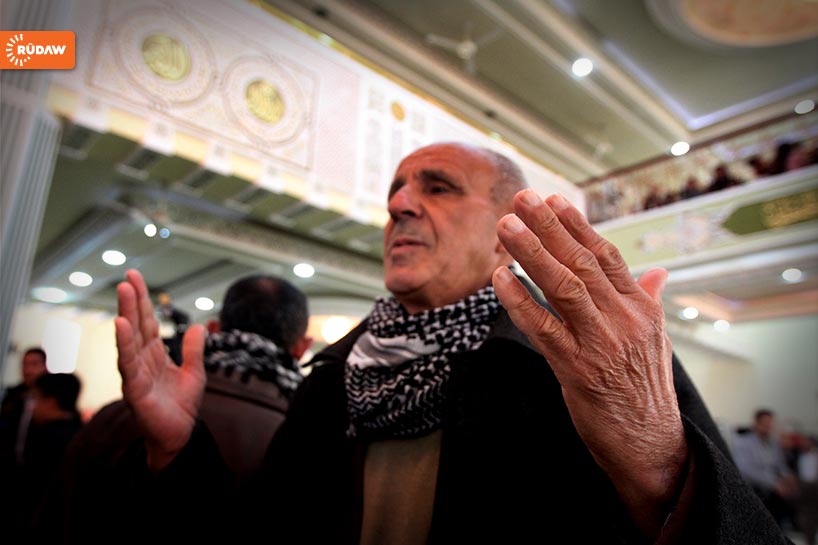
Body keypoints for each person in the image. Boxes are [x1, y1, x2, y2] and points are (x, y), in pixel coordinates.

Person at [114, 142, 791, 543]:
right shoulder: (336, 375)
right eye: (396, 192)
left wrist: (659, 466)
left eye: (437, 188)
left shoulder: (579, 360)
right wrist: (176, 451)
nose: (398, 206)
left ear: (506, 236)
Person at [35, 274, 312, 544]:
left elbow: (53, 516)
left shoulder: (119, 414)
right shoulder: (304, 441)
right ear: (302, 348)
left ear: (213, 329)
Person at [2, 372, 82, 543]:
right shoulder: (80, 433)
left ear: (51, 401)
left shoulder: (51, 439)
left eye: (36, 398)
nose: (32, 406)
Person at [733, 409, 799, 529]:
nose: (768, 426)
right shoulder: (743, 442)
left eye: (770, 423)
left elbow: (779, 464)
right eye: (765, 422)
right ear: (756, 423)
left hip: (773, 487)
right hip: (754, 488)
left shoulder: (773, 443)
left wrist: (787, 476)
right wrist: (774, 484)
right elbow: (746, 469)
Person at [0, 347, 49, 468]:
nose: (28, 370)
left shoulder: (51, 397)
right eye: (25, 364)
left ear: (44, 366)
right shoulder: (14, 394)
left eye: (34, 364)